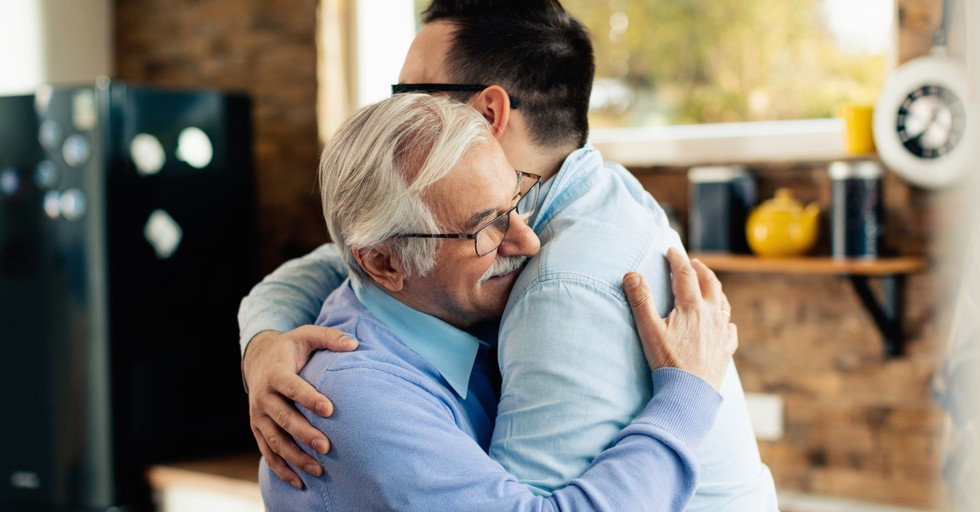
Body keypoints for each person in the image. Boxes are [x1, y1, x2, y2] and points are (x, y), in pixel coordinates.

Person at [242, 0, 778, 508]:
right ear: (383, 262)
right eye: (490, 226)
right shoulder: (358, 392)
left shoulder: (555, 279)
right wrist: (264, 345)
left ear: (487, 112)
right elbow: (332, 263)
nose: (526, 242)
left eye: (413, 93)